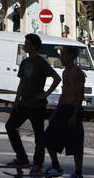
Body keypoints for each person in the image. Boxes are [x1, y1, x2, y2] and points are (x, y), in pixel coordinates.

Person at [6, 34, 61, 170]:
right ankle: (22, 157)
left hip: (37, 105)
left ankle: (38, 163)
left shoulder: (40, 62)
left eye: (27, 43)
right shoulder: (25, 62)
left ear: (34, 46)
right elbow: (22, 82)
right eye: (25, 43)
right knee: (10, 126)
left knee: (39, 135)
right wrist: (16, 100)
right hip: (24, 103)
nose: (25, 45)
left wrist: (45, 94)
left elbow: (56, 78)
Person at [43, 47, 86, 178]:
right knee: (48, 138)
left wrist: (74, 115)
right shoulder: (65, 72)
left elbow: (80, 95)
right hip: (63, 109)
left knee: (75, 144)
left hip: (73, 109)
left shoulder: (77, 73)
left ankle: (78, 174)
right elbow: (64, 94)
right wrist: (55, 113)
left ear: (71, 56)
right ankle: (55, 165)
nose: (61, 58)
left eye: (64, 55)